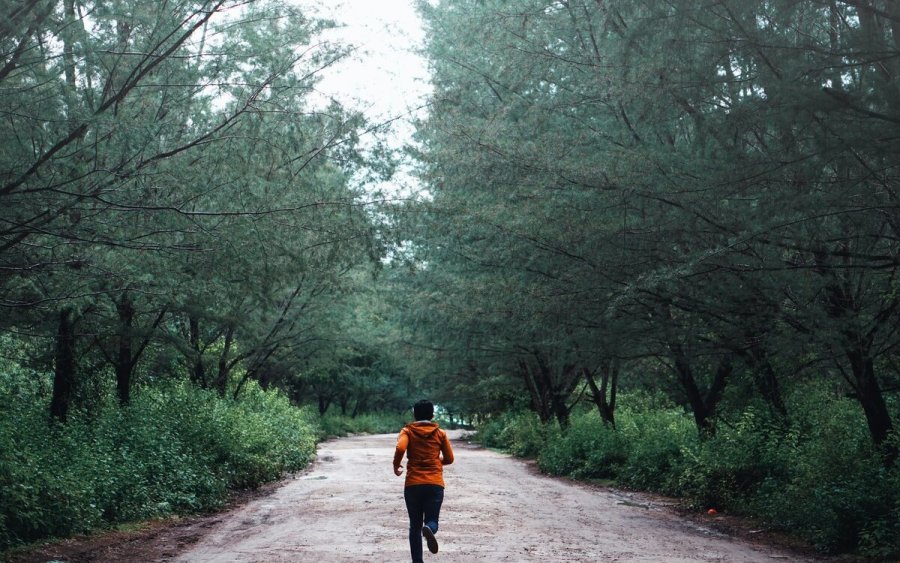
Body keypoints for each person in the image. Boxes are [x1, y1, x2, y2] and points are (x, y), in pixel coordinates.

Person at [393, 399, 455, 563]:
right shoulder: (440, 433)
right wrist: (434, 461)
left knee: (414, 526)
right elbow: (449, 458)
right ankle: (430, 529)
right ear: (432, 415)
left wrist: (396, 464)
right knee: (432, 520)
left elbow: (400, 447)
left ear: (414, 415)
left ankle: (417, 561)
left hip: (413, 484)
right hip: (434, 483)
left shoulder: (407, 431)